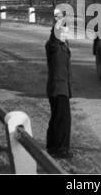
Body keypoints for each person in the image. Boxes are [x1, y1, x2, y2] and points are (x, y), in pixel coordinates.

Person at [45, 12, 73, 159]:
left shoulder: (62, 45)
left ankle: (52, 146)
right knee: (63, 119)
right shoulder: (53, 45)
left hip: (62, 88)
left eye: (66, 32)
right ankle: (61, 149)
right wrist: (59, 21)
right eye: (62, 32)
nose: (64, 34)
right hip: (57, 88)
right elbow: (55, 35)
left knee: (57, 118)